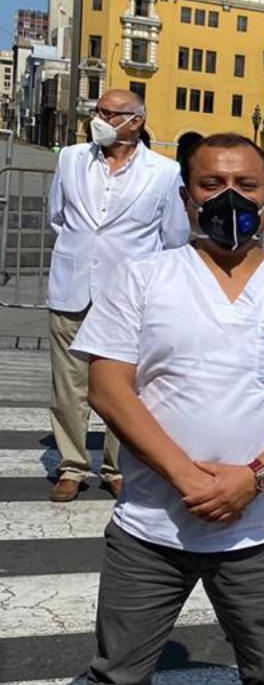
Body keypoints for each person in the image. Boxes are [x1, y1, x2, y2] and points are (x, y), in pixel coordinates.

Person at [70, 133, 264, 685]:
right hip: (152, 526)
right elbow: (108, 387)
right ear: (186, 198)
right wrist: (185, 477)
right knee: (117, 679)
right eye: (212, 184)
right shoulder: (143, 278)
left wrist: (254, 478)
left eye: (247, 186)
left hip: (260, 531)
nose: (231, 198)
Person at [45, 88, 188, 501]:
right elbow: (59, 217)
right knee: (68, 385)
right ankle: (71, 464)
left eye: (110, 113)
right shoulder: (71, 159)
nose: (100, 119)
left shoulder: (164, 172)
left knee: (127, 386)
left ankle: (118, 466)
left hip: (128, 298)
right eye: (98, 111)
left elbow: (173, 236)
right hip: (71, 287)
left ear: (136, 121)